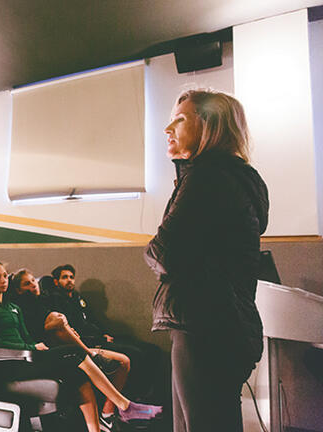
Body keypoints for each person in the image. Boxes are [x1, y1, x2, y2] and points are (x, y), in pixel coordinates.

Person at [145, 89, 268, 432]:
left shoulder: (207, 177)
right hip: (222, 323)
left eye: (180, 119)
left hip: (203, 323)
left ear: (211, 127)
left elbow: (162, 252)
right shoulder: (235, 178)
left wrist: (151, 251)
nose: (168, 128)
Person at [0, 260, 162, 431]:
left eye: (5, 275)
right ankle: (125, 406)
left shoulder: (12, 307)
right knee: (74, 353)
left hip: (29, 354)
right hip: (12, 362)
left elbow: (25, 336)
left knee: (79, 375)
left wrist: (34, 345)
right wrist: (31, 348)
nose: (3, 280)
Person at [10, 269, 131, 431]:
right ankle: (91, 357)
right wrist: (62, 324)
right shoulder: (22, 307)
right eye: (27, 283)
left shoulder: (47, 299)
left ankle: (107, 415)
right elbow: (41, 329)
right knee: (82, 367)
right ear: (18, 290)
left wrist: (70, 328)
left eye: (33, 280)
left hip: (76, 346)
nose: (33, 285)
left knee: (123, 361)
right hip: (61, 352)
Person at [48, 264, 161, 400]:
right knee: (136, 354)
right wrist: (100, 339)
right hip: (90, 343)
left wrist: (104, 334)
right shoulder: (55, 301)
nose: (69, 280)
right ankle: (133, 398)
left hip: (100, 337)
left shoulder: (77, 298)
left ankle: (151, 397)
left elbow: (92, 319)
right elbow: (73, 330)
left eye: (72, 277)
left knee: (152, 350)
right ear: (56, 281)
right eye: (64, 277)